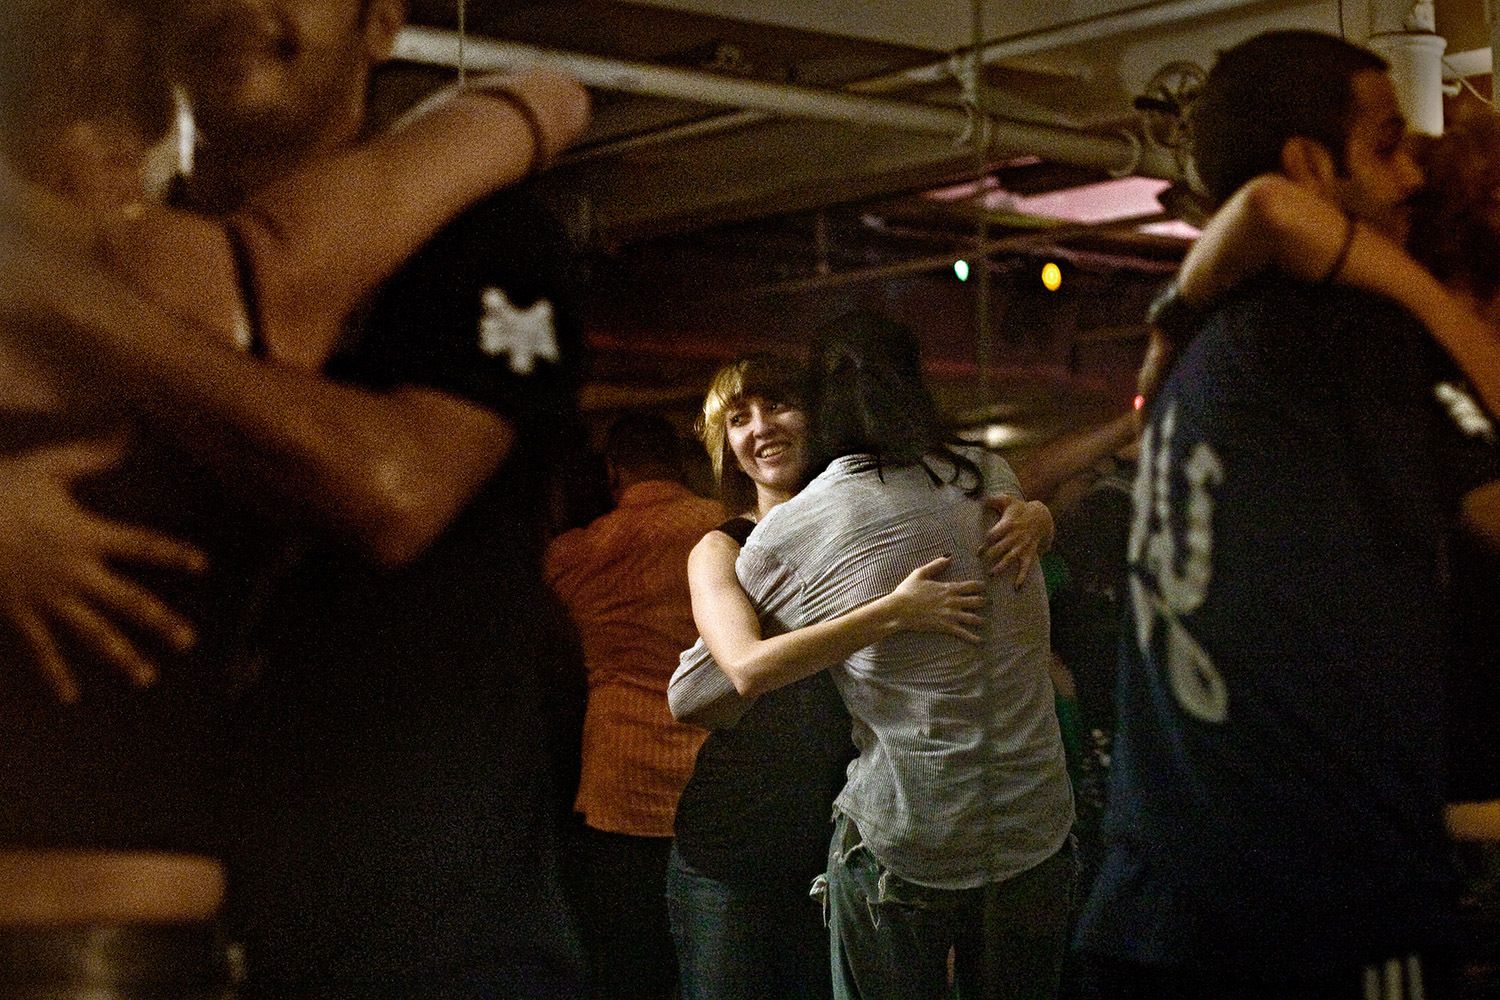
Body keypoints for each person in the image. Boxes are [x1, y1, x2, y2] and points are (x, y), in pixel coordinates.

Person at [1, 0, 596, 996]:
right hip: (205, 936)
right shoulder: (157, 251)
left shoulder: (480, 240)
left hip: (429, 943)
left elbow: (394, 487)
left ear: (380, 23)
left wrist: (55, 286)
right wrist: (526, 105)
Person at [1073, 30, 1500, 1000]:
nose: (1408, 181)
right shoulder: (1358, 334)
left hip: (1153, 910)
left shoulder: (1218, 342)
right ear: (1313, 162)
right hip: (1318, 918)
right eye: (1388, 145)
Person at [670, 318, 1076, 1000]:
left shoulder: (809, 528)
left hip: (896, 834)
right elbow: (727, 676)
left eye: (780, 405)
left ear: (819, 411)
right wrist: (888, 612)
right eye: (739, 418)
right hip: (756, 829)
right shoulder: (984, 476)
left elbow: (696, 692)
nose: (762, 427)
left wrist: (1041, 515)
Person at [543, 414, 727, 1000]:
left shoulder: (573, 552)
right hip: (711, 765)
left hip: (617, 779)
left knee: (630, 961)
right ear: (677, 462)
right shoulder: (725, 527)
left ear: (614, 471)